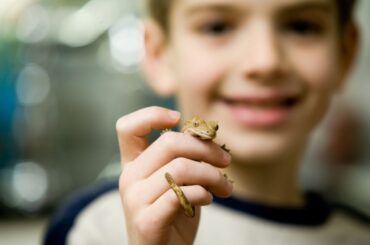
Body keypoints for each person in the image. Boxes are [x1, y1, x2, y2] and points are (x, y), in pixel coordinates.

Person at [44, 0, 370, 244]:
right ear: (158, 55)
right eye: (217, 26)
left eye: (302, 26)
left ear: (345, 54)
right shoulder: (94, 226)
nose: (265, 62)